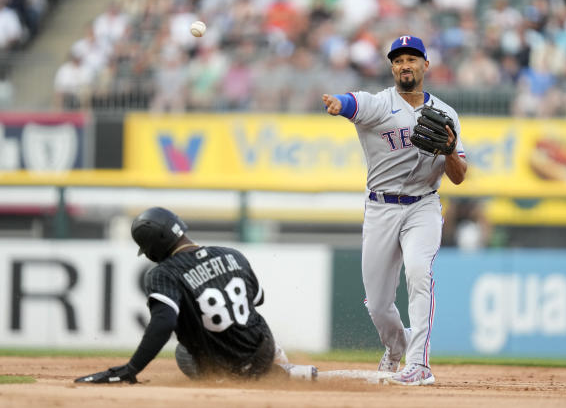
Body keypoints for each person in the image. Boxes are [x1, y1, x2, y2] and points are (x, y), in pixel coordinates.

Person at [321, 35, 467, 385]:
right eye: (399, 60)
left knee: (419, 273)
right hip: (381, 208)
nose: (405, 64)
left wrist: (449, 151)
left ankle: (419, 364)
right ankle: (396, 345)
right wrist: (339, 103)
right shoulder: (379, 104)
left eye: (412, 59)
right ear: (391, 67)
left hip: (424, 206)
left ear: (425, 65)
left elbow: (459, 177)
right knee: (377, 304)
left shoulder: (447, 114)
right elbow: (354, 102)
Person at [75, 207, 317, 384]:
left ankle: (236, 379)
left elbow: (164, 323)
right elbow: (256, 299)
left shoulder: (164, 273)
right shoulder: (232, 254)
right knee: (248, 321)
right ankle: (282, 368)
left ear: (153, 248)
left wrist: (132, 368)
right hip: (264, 350)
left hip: (229, 367)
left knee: (183, 350)